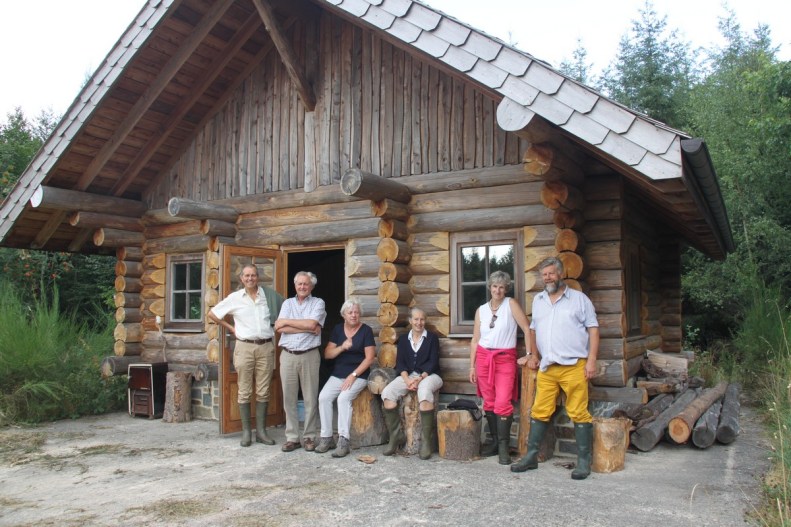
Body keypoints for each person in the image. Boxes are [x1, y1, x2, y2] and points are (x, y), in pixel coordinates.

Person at [511, 256, 599, 480]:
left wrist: (591, 360)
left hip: (574, 366)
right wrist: (533, 355)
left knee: (578, 412)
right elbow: (532, 330)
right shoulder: (539, 300)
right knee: (539, 410)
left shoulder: (579, 299)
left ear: (560, 273)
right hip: (548, 367)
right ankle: (531, 457)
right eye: (544, 275)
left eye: (551, 273)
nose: (547, 278)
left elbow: (593, 329)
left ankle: (583, 461)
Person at [208, 263, 283, 447]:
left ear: (258, 277)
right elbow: (212, 314)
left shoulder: (268, 296)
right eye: (247, 276)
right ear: (241, 278)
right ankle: (246, 432)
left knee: (264, 390)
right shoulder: (235, 298)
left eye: (253, 275)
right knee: (244, 390)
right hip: (244, 347)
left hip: (266, 346)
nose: (250, 278)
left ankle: (262, 432)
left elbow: (285, 310)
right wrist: (231, 328)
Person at [469, 270, 532, 465]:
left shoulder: (510, 304)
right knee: (488, 401)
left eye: (502, 287)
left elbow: (527, 329)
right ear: (490, 287)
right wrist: (472, 366)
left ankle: (504, 447)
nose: (498, 290)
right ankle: (495, 443)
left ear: (506, 289)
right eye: (495, 286)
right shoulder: (481, 310)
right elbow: (475, 340)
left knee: (503, 401)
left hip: (504, 359)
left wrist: (529, 354)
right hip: (483, 359)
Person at [315, 299, 376, 457]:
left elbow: (369, 358)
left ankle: (343, 440)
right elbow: (328, 354)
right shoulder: (337, 330)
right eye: (350, 312)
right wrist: (342, 347)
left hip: (359, 375)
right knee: (323, 397)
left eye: (356, 312)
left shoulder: (366, 331)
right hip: (338, 374)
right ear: (344, 315)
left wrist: (353, 375)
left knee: (343, 399)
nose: (354, 315)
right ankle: (327, 437)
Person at [380, 308, 443, 460]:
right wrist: (407, 380)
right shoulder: (403, 339)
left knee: (424, 392)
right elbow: (400, 363)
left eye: (422, 319)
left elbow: (433, 362)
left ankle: (426, 441)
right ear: (410, 321)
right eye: (416, 319)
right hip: (408, 376)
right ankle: (396, 436)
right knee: (387, 394)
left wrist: (419, 378)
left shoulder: (432, 338)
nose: (419, 322)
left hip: (430, 375)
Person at [274, 271, 326, 453]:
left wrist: (287, 323)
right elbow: (279, 327)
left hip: (309, 355)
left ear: (311, 286)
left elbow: (312, 325)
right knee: (289, 398)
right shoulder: (287, 303)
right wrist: (305, 326)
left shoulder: (318, 303)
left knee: (310, 397)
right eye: (299, 284)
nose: (302, 287)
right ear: (295, 285)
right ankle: (292, 438)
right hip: (287, 355)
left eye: (306, 284)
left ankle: (309, 436)